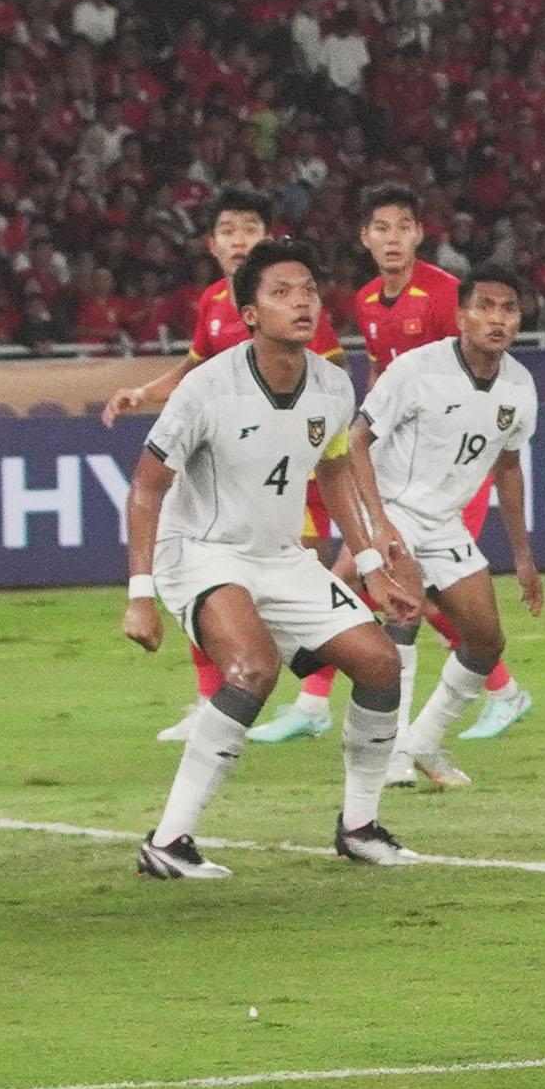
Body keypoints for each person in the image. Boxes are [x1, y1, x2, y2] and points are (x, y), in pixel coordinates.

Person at [120, 239, 419, 878]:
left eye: (308, 289)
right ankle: (168, 843)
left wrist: (370, 567)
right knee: (252, 669)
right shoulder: (206, 388)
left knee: (380, 664)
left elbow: (335, 472)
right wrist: (139, 593)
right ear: (250, 313)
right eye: (281, 292)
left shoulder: (333, 386)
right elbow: (147, 486)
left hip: (279, 557)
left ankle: (360, 827)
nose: (301, 301)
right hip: (201, 553)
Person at [103, 189, 350, 744]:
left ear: (266, 237)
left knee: (307, 589)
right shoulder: (215, 302)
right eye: (228, 229)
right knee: (207, 581)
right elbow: (194, 369)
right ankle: (211, 701)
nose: (240, 238)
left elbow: (325, 393)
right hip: (228, 471)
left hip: (294, 475)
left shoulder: (295, 308)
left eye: (251, 227)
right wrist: (141, 392)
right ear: (212, 244)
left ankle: (313, 702)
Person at [349, 267, 545, 789]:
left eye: (509, 309)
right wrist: (380, 521)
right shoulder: (416, 370)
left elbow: (507, 467)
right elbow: (356, 441)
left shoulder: (520, 387)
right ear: (461, 316)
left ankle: (423, 742)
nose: (497, 319)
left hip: (444, 523)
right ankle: (387, 753)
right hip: (391, 507)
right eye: (485, 306)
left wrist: (523, 556)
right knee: (405, 618)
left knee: (486, 641)